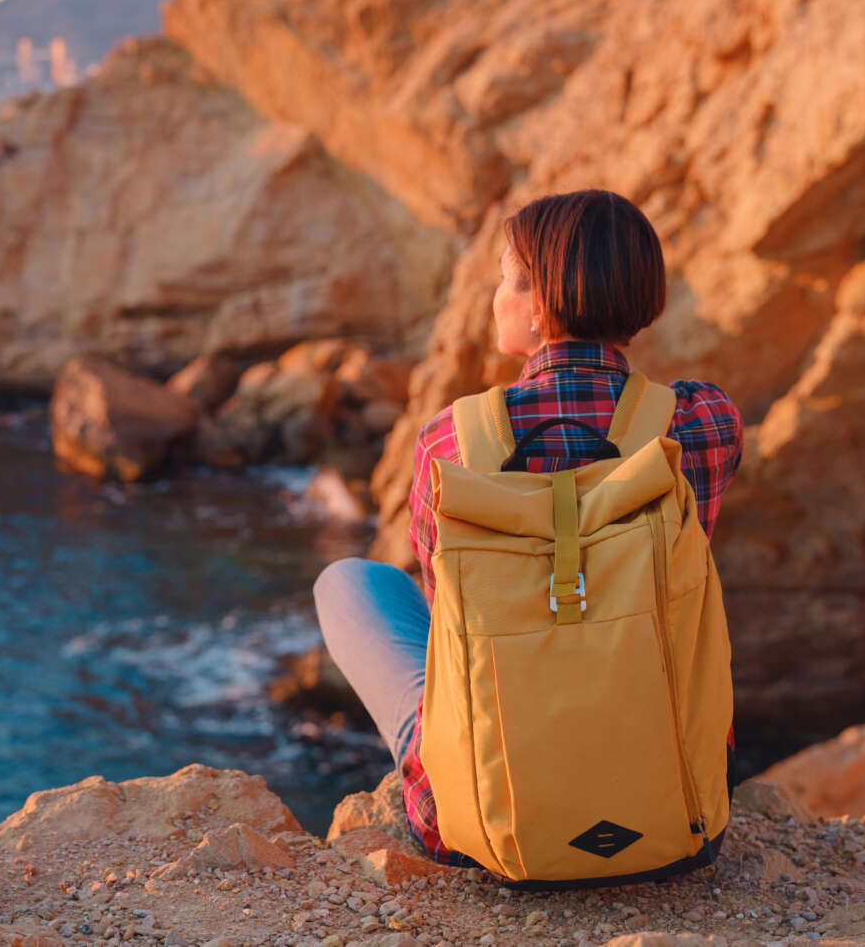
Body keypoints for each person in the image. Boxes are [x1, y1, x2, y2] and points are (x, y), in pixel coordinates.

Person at [313, 188, 743, 865]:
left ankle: (447, 789)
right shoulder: (700, 423)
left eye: (506, 278)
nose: (494, 298)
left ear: (539, 305)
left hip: (483, 827)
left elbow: (446, 618)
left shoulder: (447, 444)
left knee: (350, 581)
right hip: (677, 821)